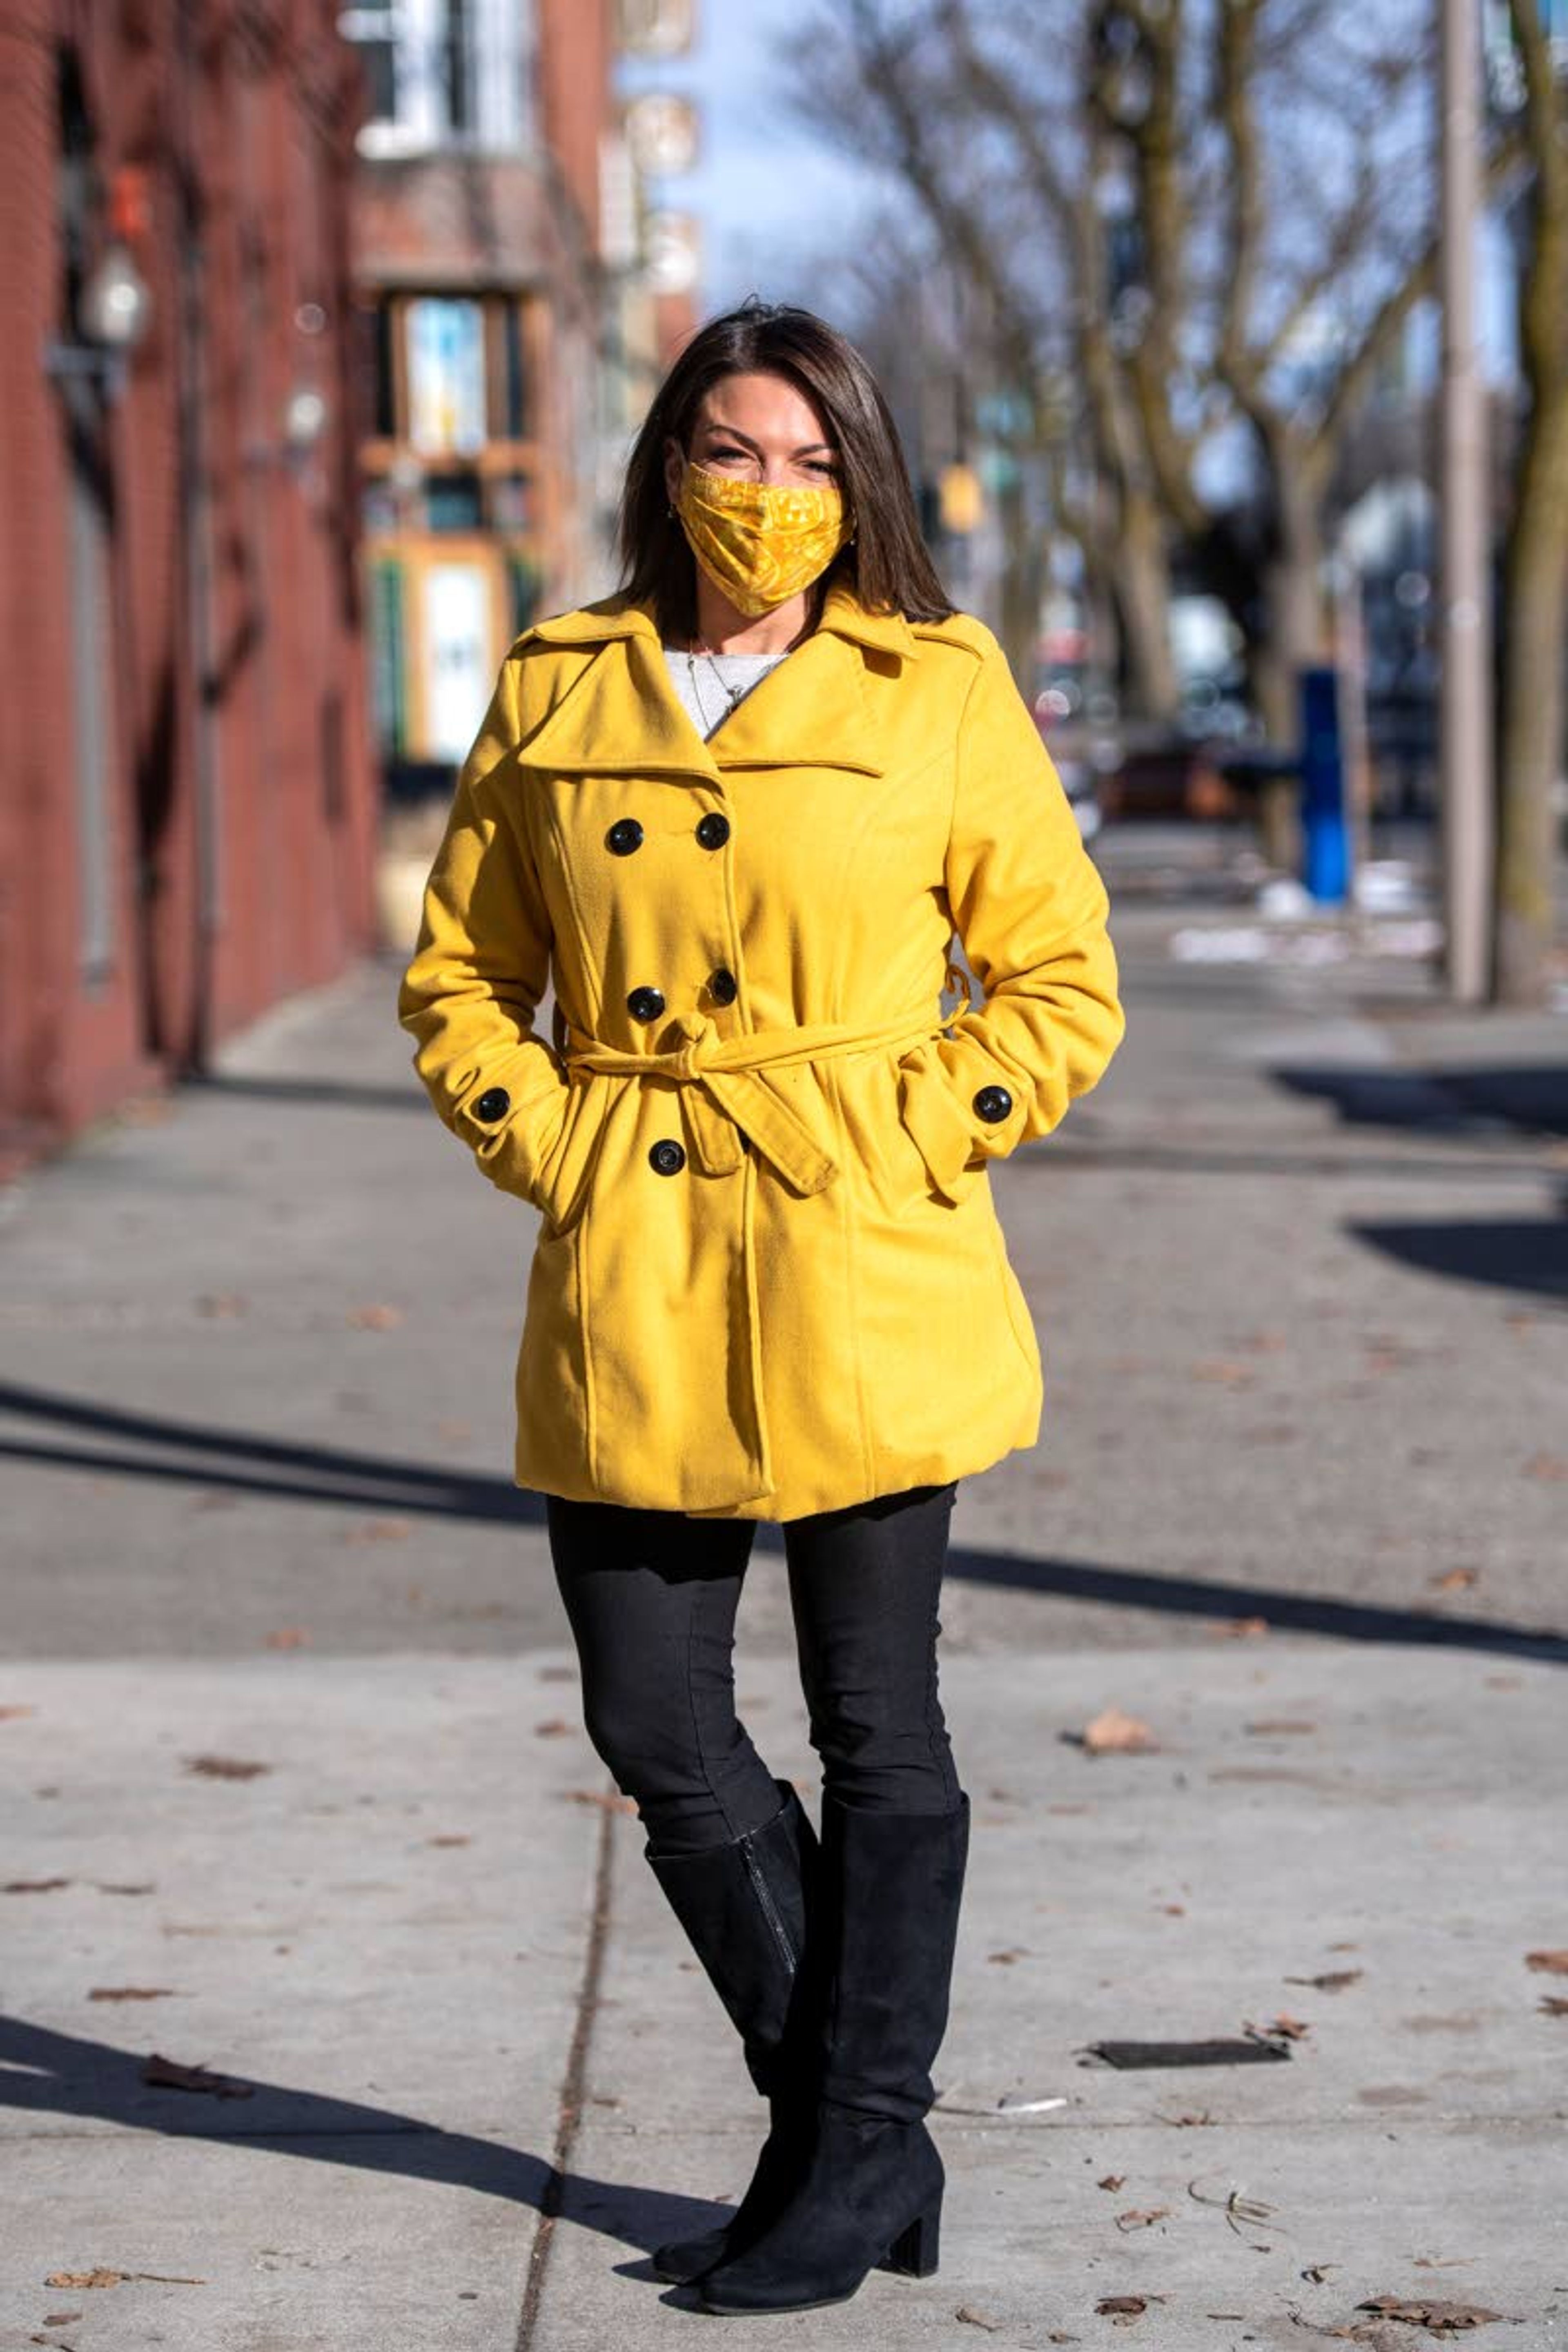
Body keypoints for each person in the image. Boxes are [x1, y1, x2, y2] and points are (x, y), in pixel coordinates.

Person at [396, 300, 1125, 2315]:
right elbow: (465, 976)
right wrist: (549, 1142)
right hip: (632, 1250)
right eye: (735, 452)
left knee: (881, 1722)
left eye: (815, 462)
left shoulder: (940, 686)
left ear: (862, 480)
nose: (772, 495)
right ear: (669, 464)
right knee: (655, 1716)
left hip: (862, 1252)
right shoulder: (558, 688)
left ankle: (846, 2149)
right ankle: (860, 2136)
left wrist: (911, 1127)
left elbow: (1060, 987)